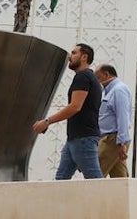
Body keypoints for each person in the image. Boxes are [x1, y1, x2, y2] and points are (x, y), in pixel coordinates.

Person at [32, 43, 104, 180]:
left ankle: (111, 202)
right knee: (61, 179)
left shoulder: (83, 77)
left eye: (74, 53)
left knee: (95, 181)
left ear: (84, 57)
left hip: (83, 139)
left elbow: (75, 106)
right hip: (76, 138)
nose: (70, 57)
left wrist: (47, 121)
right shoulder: (88, 77)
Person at [95, 63, 133, 178]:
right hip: (112, 139)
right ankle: (124, 196)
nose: (97, 82)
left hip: (112, 140)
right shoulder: (110, 91)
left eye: (98, 78)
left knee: (95, 173)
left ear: (107, 75)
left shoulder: (118, 90)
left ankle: (91, 196)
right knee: (119, 177)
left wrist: (122, 142)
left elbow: (123, 116)